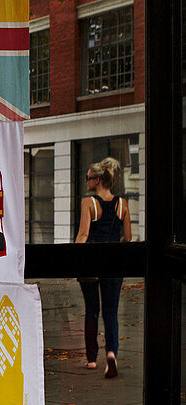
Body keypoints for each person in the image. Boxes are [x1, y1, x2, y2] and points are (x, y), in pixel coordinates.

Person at [76, 157, 131, 377]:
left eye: (88, 178)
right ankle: (111, 355)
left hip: (91, 262)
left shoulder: (89, 203)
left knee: (91, 310)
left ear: (97, 180)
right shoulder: (122, 204)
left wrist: (75, 260)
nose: (86, 181)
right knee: (111, 312)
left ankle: (91, 359)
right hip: (114, 263)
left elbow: (83, 234)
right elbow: (126, 237)